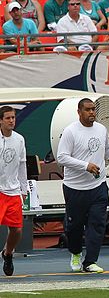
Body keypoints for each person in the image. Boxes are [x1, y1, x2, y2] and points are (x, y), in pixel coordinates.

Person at [56, 98, 109, 273]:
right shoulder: (70, 131)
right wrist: (85, 166)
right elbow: (62, 157)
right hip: (75, 188)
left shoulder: (101, 129)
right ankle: (75, 252)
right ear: (79, 112)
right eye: (88, 110)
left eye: (93, 110)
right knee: (74, 227)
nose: (92, 113)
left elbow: (107, 147)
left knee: (97, 224)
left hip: (98, 187)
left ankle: (90, 261)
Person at [0, 106, 27, 276]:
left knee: (16, 230)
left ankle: (7, 253)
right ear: (1, 120)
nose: (11, 121)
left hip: (13, 190)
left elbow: (22, 164)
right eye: (8, 118)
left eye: (13, 117)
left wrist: (23, 189)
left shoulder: (19, 139)